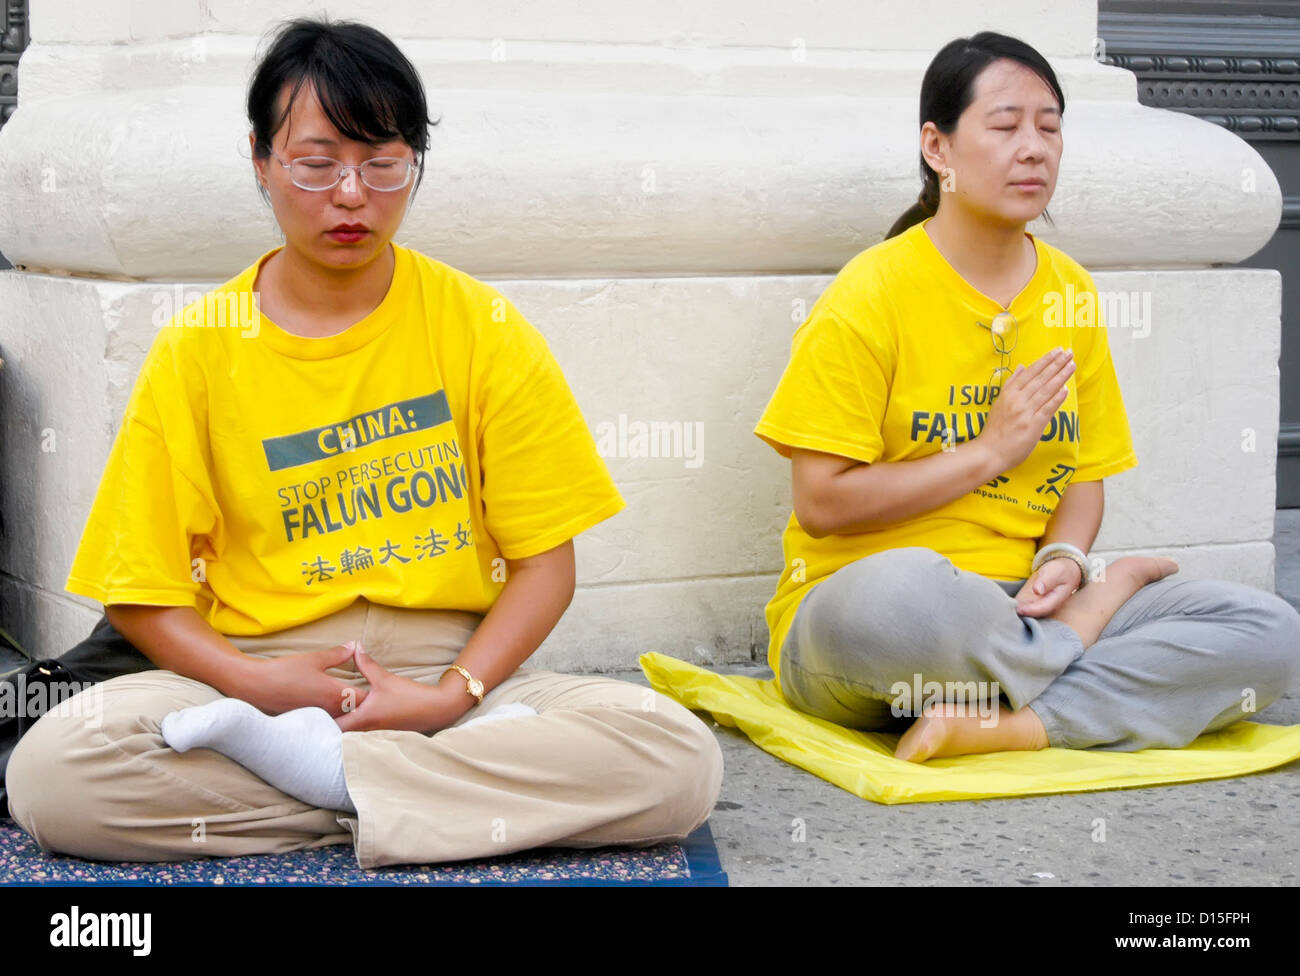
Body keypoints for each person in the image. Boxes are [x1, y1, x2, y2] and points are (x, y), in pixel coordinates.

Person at [6, 16, 722, 868]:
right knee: (56, 775)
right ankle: (425, 791)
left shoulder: (481, 327)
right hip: (253, 677)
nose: (351, 195)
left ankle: (326, 778)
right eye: (316, 164)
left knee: (677, 755)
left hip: (445, 677)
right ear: (260, 160)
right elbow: (140, 592)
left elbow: (544, 567)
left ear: (415, 163)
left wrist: (450, 695)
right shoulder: (197, 348)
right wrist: (256, 684)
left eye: (383, 164)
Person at [755, 31, 1300, 764]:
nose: (1034, 149)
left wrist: (1066, 560)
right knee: (902, 596)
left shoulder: (1070, 291)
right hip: (879, 613)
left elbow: (1084, 475)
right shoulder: (871, 293)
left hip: (1021, 598)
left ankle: (1012, 721)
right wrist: (990, 453)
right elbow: (821, 502)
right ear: (938, 148)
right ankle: (1083, 635)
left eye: (1050, 127)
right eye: (1006, 125)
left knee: (1267, 632)